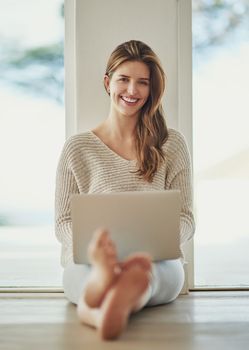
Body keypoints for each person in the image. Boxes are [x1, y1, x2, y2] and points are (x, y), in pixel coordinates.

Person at [55, 40, 195, 340]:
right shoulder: (77, 149)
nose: (132, 91)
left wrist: (151, 247)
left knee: (149, 273)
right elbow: (63, 221)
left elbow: (186, 218)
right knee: (87, 275)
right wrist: (97, 254)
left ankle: (99, 308)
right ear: (108, 82)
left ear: (152, 89)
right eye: (124, 80)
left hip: (157, 261)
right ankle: (112, 292)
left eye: (142, 83)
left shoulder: (171, 144)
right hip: (91, 262)